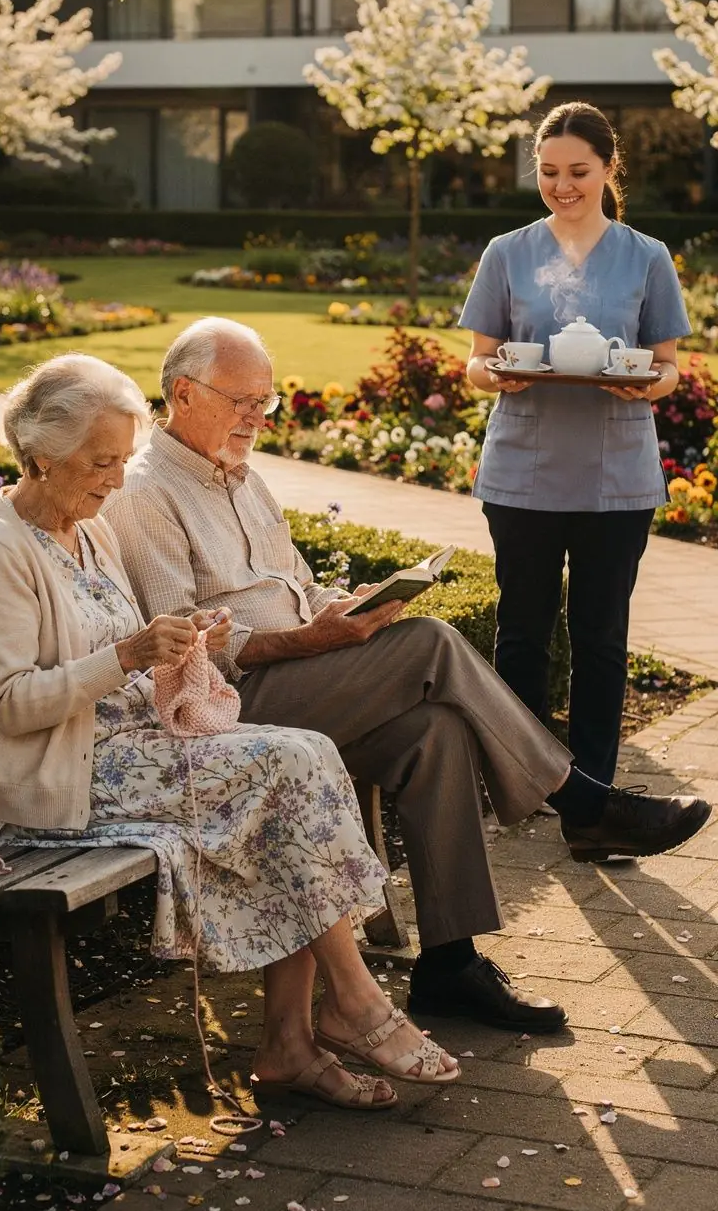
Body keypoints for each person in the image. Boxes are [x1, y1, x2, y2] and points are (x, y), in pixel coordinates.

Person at [101, 318, 711, 1032]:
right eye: (243, 402)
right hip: (230, 712)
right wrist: (307, 640)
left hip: (301, 681)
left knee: (436, 732)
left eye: (265, 402)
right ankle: (580, 799)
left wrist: (350, 608)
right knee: (431, 645)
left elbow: (295, 585)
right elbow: (188, 651)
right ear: (183, 393)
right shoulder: (147, 495)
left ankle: (450, 965)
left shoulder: (244, 478)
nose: (257, 418)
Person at [0, 352, 460, 1112]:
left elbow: (125, 659)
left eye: (122, 459)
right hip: (55, 781)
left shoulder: (86, 529)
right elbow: (10, 704)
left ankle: (292, 1043)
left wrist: (186, 644)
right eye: (101, 461)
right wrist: (129, 654)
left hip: (127, 750)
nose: (118, 479)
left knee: (302, 756)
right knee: (288, 766)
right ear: (41, 456)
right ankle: (353, 1005)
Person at [459, 100, 698, 807]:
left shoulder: (646, 257)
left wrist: (647, 388)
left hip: (614, 479)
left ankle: (593, 788)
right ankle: (522, 781)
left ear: (607, 168)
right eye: (551, 172)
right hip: (522, 475)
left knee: (600, 637)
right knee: (522, 633)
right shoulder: (507, 252)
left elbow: (669, 365)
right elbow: (474, 363)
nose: (564, 186)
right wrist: (498, 372)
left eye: (580, 172)